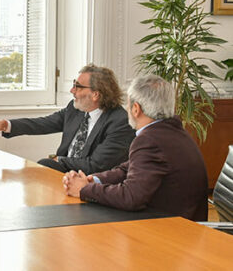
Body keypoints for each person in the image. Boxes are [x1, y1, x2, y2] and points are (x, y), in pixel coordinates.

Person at [62, 75, 208, 221]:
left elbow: (131, 197)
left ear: (136, 109)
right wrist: (93, 180)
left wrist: (84, 190)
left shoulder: (150, 140)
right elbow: (128, 169)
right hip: (183, 222)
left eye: (128, 105)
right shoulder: (172, 131)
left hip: (170, 230)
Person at [0, 64, 135, 174]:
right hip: (66, 172)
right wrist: (6, 124)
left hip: (90, 180)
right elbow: (43, 123)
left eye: (78, 86)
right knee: (38, 170)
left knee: (44, 166)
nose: (71, 90)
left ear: (96, 94)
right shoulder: (75, 110)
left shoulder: (120, 122)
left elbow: (96, 165)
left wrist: (59, 160)